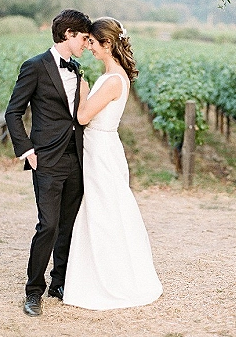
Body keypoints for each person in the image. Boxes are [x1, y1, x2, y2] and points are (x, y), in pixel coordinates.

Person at [63, 17, 163, 310]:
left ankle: (109, 280)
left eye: (93, 42)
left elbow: (83, 116)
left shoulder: (112, 80)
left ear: (107, 44)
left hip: (101, 151)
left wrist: (81, 88)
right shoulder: (113, 76)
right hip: (101, 147)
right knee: (103, 209)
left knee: (104, 212)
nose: (89, 47)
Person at [4, 9, 92, 317]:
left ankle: (59, 283)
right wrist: (27, 150)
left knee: (68, 225)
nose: (86, 44)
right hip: (47, 160)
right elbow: (13, 112)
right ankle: (33, 291)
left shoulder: (77, 68)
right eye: (84, 38)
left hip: (76, 158)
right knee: (48, 225)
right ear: (68, 34)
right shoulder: (35, 66)